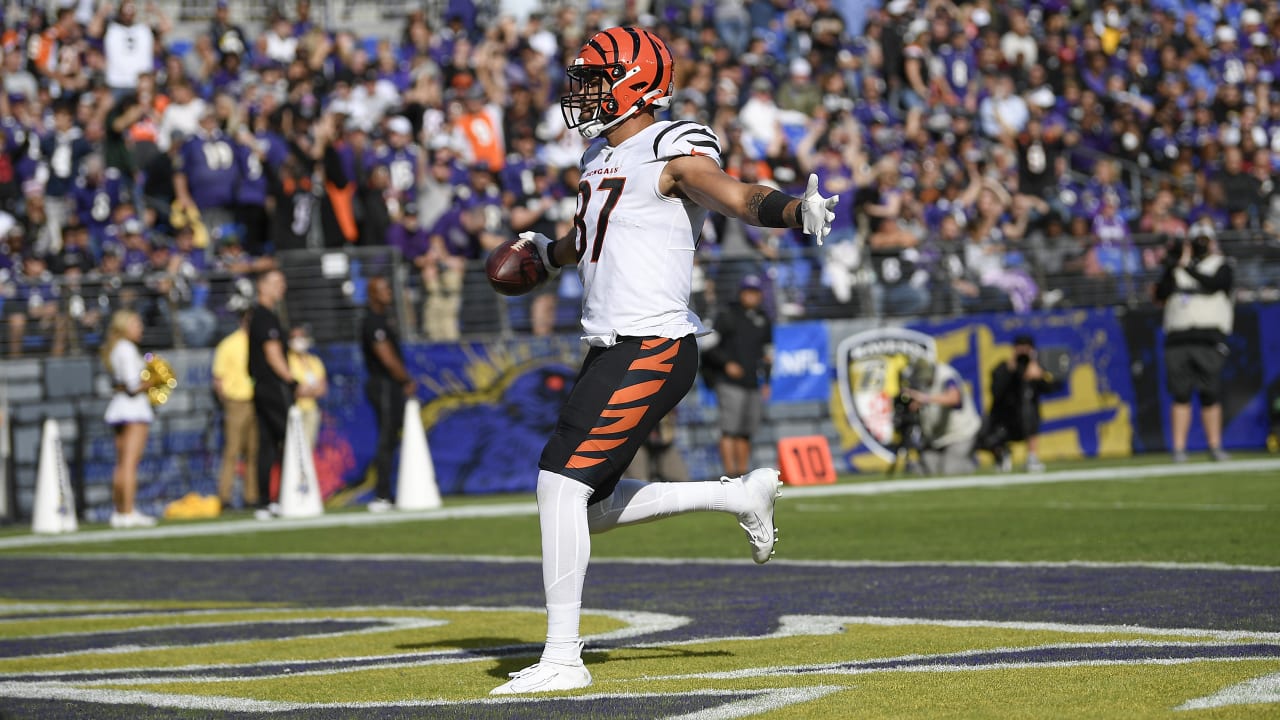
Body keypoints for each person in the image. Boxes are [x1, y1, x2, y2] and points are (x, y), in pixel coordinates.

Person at [490, 26, 837, 695]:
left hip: (651, 343)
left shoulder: (672, 144)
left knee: (557, 487)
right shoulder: (600, 158)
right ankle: (736, 493)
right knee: (582, 507)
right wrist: (544, 254)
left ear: (635, 82)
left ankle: (563, 657)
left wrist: (795, 210)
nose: (581, 91)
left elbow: (731, 193)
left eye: (594, 78)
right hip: (613, 346)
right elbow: (587, 238)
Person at [1153, 224, 1234, 462]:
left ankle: (1215, 445)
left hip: (1209, 338)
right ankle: (1179, 448)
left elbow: (1215, 284)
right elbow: (1161, 294)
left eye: (1203, 240)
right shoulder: (1177, 267)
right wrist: (1171, 265)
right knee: (1181, 394)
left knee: (1210, 393)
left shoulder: (1221, 265)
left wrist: (1186, 266)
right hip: (1178, 339)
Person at [701, 274, 774, 479]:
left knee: (746, 430)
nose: (751, 296)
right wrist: (727, 364)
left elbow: (768, 353)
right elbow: (708, 347)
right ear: (741, 293)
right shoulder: (727, 315)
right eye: (748, 292)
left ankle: (742, 473)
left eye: (755, 292)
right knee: (729, 428)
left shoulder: (763, 318)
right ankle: (729, 473)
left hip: (752, 381)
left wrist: (767, 380)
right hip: (729, 382)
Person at [360, 276, 416, 512]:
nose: (388, 293)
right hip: (384, 384)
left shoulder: (383, 320)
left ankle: (387, 491)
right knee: (386, 437)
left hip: (389, 385)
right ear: (372, 294)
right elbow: (386, 357)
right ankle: (381, 494)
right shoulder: (374, 322)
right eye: (382, 289)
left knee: (391, 438)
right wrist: (405, 378)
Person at [247, 268, 297, 520]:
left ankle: (266, 500)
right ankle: (290, 494)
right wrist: (291, 380)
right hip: (273, 386)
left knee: (267, 444)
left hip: (261, 386)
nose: (282, 287)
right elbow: (273, 353)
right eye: (277, 282)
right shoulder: (265, 317)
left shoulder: (260, 316)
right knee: (288, 439)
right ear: (262, 286)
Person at [101, 309, 158, 528]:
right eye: (136, 324)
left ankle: (120, 511)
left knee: (122, 464)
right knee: (129, 464)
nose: (140, 328)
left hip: (120, 407)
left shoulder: (117, 348)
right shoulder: (126, 348)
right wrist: (154, 380)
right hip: (133, 410)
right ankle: (128, 511)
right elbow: (134, 385)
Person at [973, 334, 1063, 472]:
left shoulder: (1035, 369)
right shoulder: (1003, 368)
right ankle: (1001, 453)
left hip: (1024, 421)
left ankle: (1032, 456)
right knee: (981, 436)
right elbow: (996, 392)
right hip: (1002, 422)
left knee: (1030, 411)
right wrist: (1010, 370)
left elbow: (1052, 388)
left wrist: (1040, 376)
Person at [899, 358, 981, 475]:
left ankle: (970, 463)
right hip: (937, 438)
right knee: (928, 469)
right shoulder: (916, 380)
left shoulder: (946, 375)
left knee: (950, 470)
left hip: (960, 434)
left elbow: (954, 399)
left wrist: (926, 398)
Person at [211, 312, 257, 510]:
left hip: (256, 401)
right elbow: (218, 378)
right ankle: (225, 497)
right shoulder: (229, 344)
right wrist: (226, 401)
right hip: (236, 402)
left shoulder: (258, 343)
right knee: (232, 451)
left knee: (253, 452)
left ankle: (251, 497)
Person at [286, 324, 328, 450]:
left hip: (311, 410)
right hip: (293, 410)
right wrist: (309, 389)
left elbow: (322, 389)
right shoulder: (286, 361)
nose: (298, 340)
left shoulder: (314, 361)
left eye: (301, 336)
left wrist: (305, 390)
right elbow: (292, 390)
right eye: (294, 337)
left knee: (309, 447)